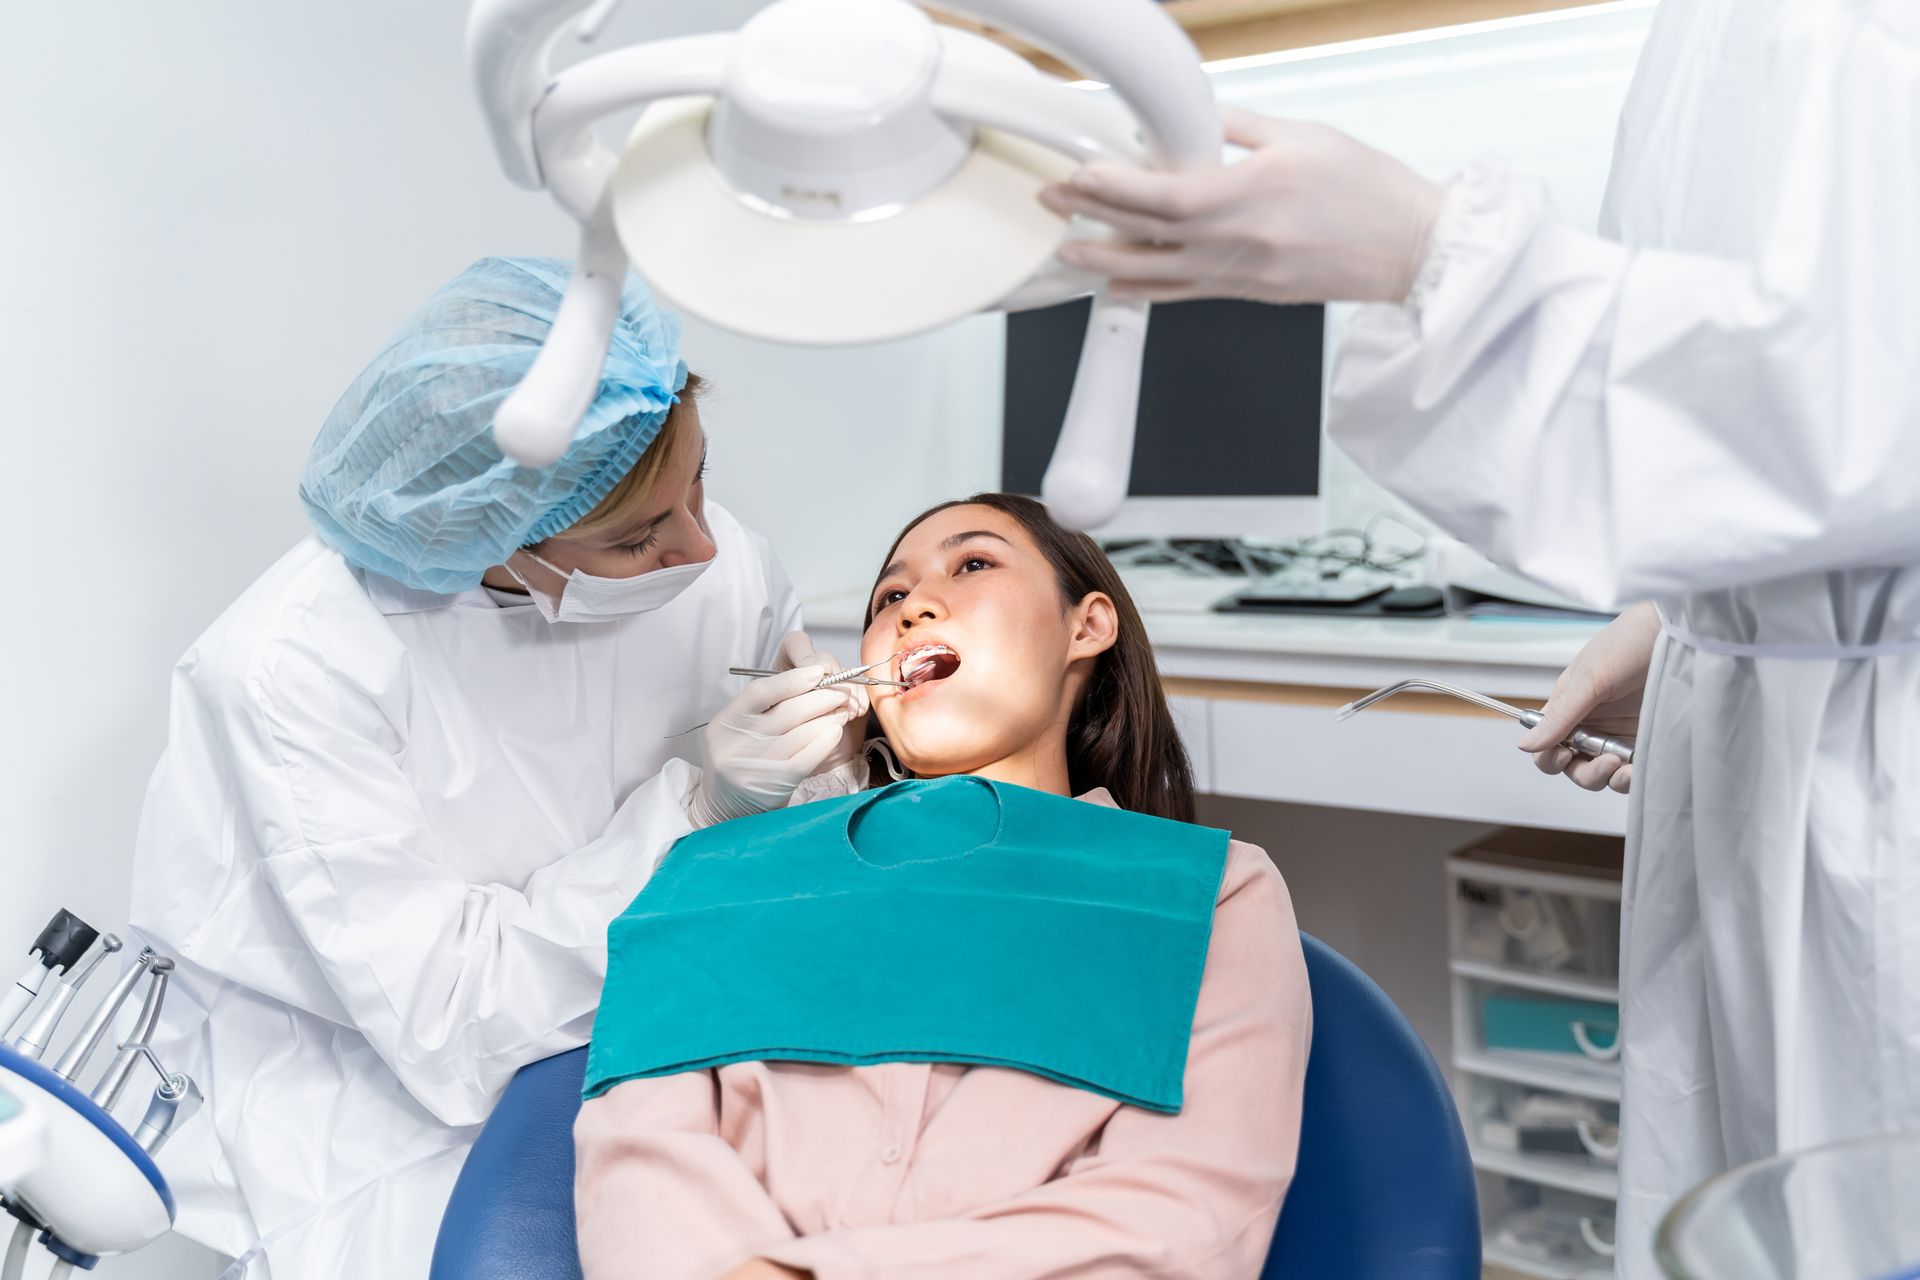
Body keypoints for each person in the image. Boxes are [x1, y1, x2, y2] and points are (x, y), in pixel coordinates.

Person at [1040, 2, 1920, 1270]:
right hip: (1766, 720)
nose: (911, 607)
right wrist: (1688, 633)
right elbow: (1781, 415)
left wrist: (1429, 252)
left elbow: (1855, 385)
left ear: (1093, 623)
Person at [127, 257, 866, 1277]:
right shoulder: (296, 670)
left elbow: (804, 839)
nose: (701, 546)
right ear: (489, 536)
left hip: (672, 1027)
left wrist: (825, 770)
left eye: (701, 477)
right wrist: (696, 806)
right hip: (383, 1110)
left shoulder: (719, 558)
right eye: (639, 536)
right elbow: (454, 1023)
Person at [573, 493, 1311, 1280]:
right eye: (890, 597)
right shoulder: (718, 875)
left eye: (973, 564)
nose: (915, 606)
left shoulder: (1211, 893)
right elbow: (639, 1157)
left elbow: (1181, 1212)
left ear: (1087, 626)